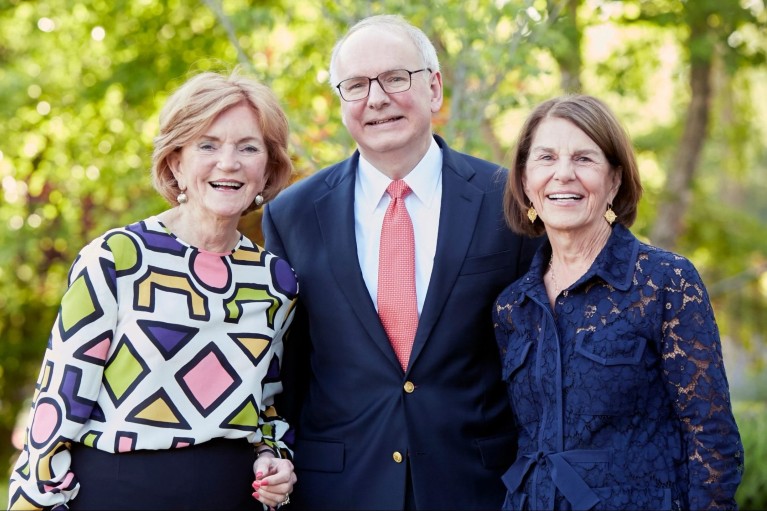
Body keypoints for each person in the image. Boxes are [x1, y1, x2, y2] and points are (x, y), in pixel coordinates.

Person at [261, 14, 541, 511]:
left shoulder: (508, 200)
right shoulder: (292, 214)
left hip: (478, 487)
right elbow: (290, 367)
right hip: (340, 490)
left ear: (434, 88)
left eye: (395, 77)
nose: (376, 98)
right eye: (356, 85)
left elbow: (535, 359)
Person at [8, 70, 298, 511]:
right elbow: (57, 406)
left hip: (230, 497)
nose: (228, 163)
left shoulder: (276, 280)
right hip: (115, 495)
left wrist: (274, 460)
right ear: (176, 163)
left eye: (248, 147)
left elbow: (268, 409)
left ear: (268, 169)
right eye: (207, 145)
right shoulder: (116, 259)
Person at [493, 94, 744, 510]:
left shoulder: (665, 282)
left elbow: (711, 437)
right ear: (524, 181)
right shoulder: (512, 307)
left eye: (583, 159)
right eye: (546, 158)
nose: (563, 174)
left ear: (614, 181)